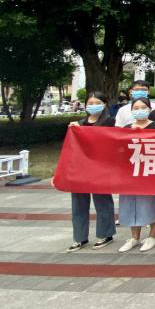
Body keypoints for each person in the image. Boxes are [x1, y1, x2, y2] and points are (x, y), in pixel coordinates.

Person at [64, 93, 115, 251]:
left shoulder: (111, 122)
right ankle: (80, 238)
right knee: (78, 204)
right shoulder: (79, 124)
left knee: (102, 202)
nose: (93, 105)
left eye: (97, 102)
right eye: (90, 103)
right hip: (80, 168)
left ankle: (105, 234)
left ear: (105, 104)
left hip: (101, 168)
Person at [117, 97, 155, 252]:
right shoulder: (127, 127)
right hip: (131, 171)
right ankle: (134, 237)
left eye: (143, 107)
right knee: (131, 203)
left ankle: (153, 236)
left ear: (149, 109)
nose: (139, 110)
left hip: (151, 170)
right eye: (136, 108)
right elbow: (119, 149)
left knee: (152, 203)